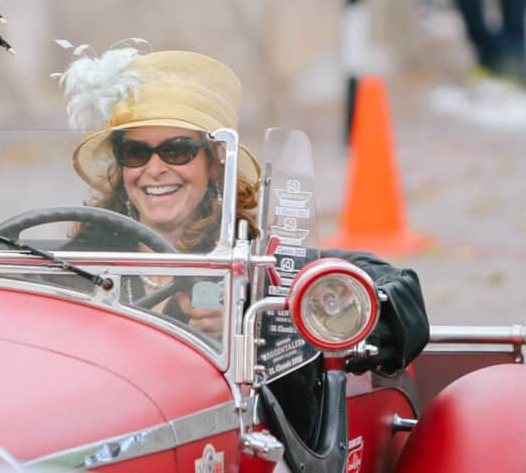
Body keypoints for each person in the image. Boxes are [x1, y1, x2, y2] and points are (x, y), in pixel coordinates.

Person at [55, 43, 429, 445]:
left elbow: (398, 303)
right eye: (136, 152)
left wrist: (259, 326)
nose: (155, 168)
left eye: (177, 150)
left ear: (214, 162)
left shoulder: (262, 263)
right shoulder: (78, 261)